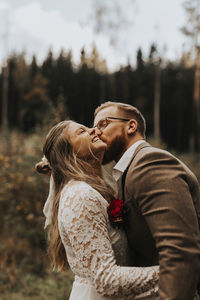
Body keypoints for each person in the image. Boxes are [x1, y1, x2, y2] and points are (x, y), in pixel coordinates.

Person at [36, 120, 159, 300]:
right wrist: (178, 271)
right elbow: (107, 281)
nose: (94, 130)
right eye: (82, 131)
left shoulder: (94, 191)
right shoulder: (80, 196)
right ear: (69, 153)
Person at [93, 101, 200, 300]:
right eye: (93, 127)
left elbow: (179, 252)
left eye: (103, 124)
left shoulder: (150, 163)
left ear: (131, 126)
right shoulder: (128, 171)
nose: (96, 133)